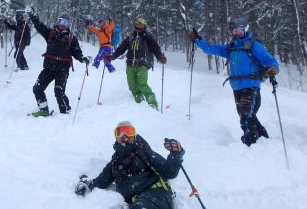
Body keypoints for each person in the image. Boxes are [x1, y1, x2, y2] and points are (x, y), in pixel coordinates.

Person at [188, 17, 279, 146]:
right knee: (247, 115)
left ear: (245, 30)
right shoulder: (231, 47)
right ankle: (264, 139)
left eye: (240, 30)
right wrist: (197, 40)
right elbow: (210, 49)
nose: (237, 33)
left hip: (251, 86)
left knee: (245, 117)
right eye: (234, 31)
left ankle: (250, 144)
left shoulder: (253, 45)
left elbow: (270, 60)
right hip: (236, 87)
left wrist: (273, 69)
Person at [75, 121, 184, 209]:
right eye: (120, 132)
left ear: (134, 136)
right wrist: (88, 184)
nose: (124, 136)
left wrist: (176, 155)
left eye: (128, 131)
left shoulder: (144, 153)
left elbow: (169, 171)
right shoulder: (115, 162)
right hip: (135, 201)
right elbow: (101, 180)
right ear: (116, 137)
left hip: (155, 193)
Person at [27, 11, 89, 117]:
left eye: (66, 22)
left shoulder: (71, 38)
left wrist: (83, 59)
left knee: (58, 91)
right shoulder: (50, 33)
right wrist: (33, 17)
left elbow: (77, 52)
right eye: (61, 21)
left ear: (69, 24)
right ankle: (43, 109)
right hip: (49, 67)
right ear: (58, 21)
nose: (63, 24)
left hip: (63, 69)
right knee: (37, 88)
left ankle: (65, 112)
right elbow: (40, 27)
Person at [105, 17, 166, 109]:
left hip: (142, 64)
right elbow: (121, 49)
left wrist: (160, 57)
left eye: (141, 24)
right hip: (130, 65)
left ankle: (152, 103)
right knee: (132, 86)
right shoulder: (131, 37)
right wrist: (112, 57)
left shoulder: (147, 37)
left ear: (144, 25)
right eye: (138, 23)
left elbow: (155, 48)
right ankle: (140, 102)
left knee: (142, 84)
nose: (139, 25)